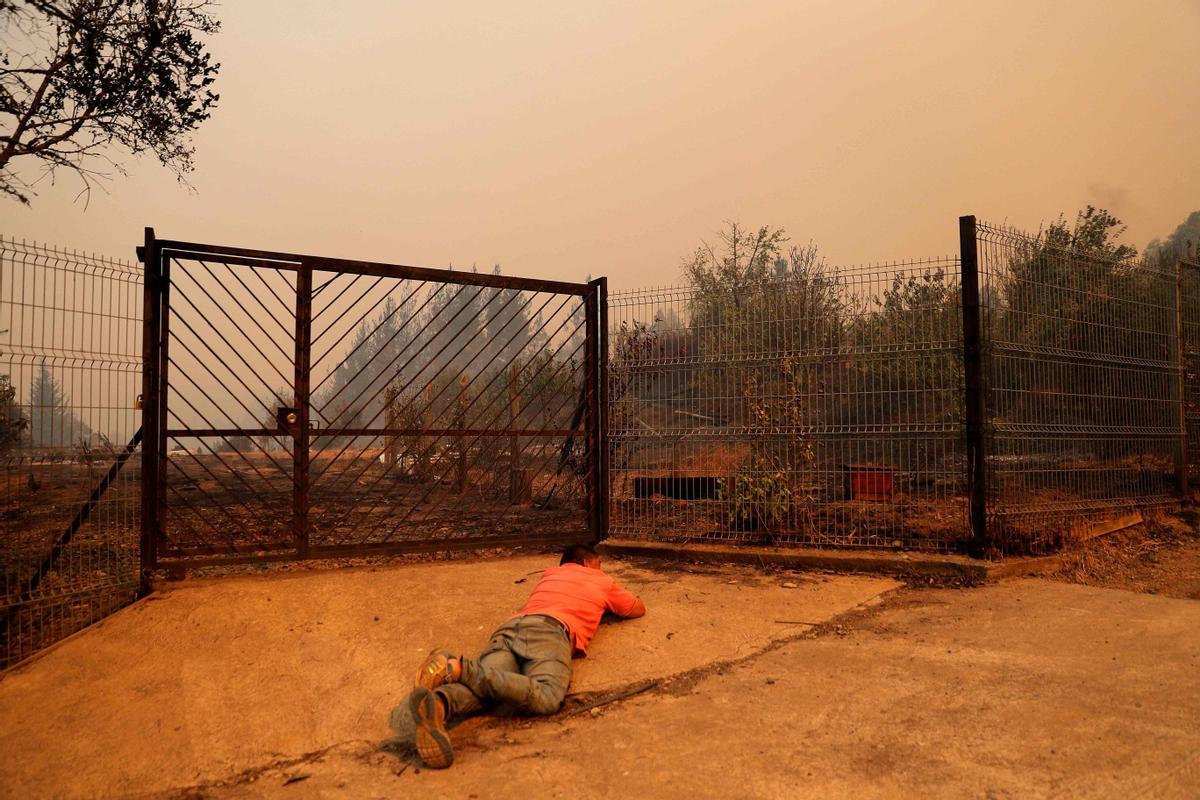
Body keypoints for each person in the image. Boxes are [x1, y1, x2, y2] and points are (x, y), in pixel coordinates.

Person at [398, 543, 646, 769]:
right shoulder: (598, 578)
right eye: (599, 566)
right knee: (548, 696)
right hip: (550, 631)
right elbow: (636, 609)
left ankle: (439, 703)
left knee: (492, 687)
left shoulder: (550, 575)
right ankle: (459, 668)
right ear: (589, 563)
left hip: (511, 627)